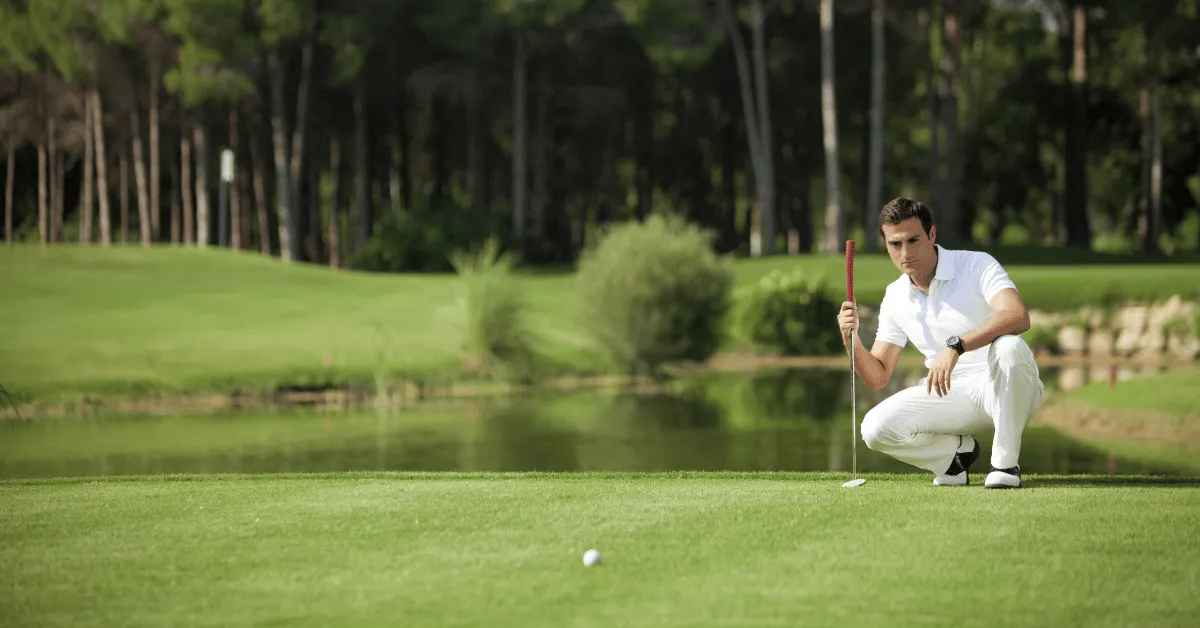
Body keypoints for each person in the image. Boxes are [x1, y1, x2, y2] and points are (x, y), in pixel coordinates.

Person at [837, 197, 1044, 488]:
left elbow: (1017, 316)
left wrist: (956, 345)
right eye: (895, 244)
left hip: (1006, 386)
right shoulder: (895, 296)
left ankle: (1005, 466)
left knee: (1010, 347)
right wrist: (853, 341)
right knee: (875, 428)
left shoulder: (975, 265)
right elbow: (877, 376)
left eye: (913, 240)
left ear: (931, 235)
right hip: (950, 394)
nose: (905, 253)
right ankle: (953, 459)